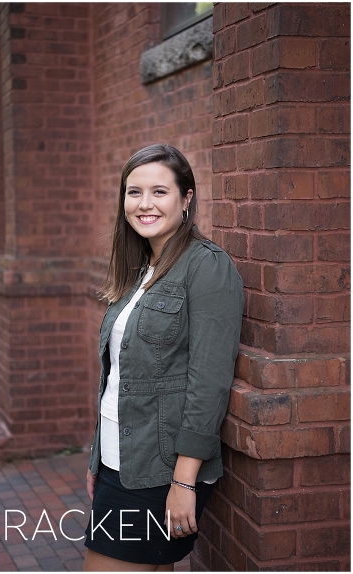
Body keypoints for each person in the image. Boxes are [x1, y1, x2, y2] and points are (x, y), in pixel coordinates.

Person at [83, 144, 244, 571]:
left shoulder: (207, 267)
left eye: (159, 191)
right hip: (119, 461)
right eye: (134, 192)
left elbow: (208, 382)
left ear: (186, 198)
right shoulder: (141, 270)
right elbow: (118, 377)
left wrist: (183, 481)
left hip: (162, 470)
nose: (145, 204)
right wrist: (99, 457)